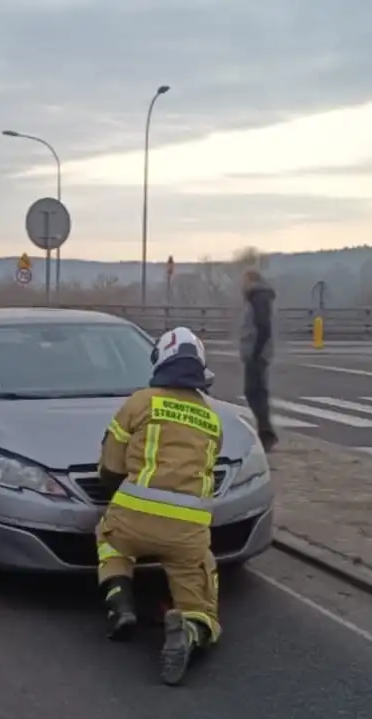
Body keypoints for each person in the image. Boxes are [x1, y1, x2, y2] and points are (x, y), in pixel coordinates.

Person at [94, 326, 224, 686]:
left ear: (160, 360)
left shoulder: (140, 401)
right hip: (186, 535)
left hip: (132, 520)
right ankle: (190, 628)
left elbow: (112, 466)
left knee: (109, 539)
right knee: (201, 601)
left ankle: (120, 604)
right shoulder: (212, 418)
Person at [240, 269, 278, 451]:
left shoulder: (258, 298)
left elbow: (263, 327)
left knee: (253, 391)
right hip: (258, 352)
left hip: (257, 353)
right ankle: (265, 431)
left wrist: (255, 352)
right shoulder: (258, 297)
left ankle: (266, 432)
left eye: (244, 281)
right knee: (257, 391)